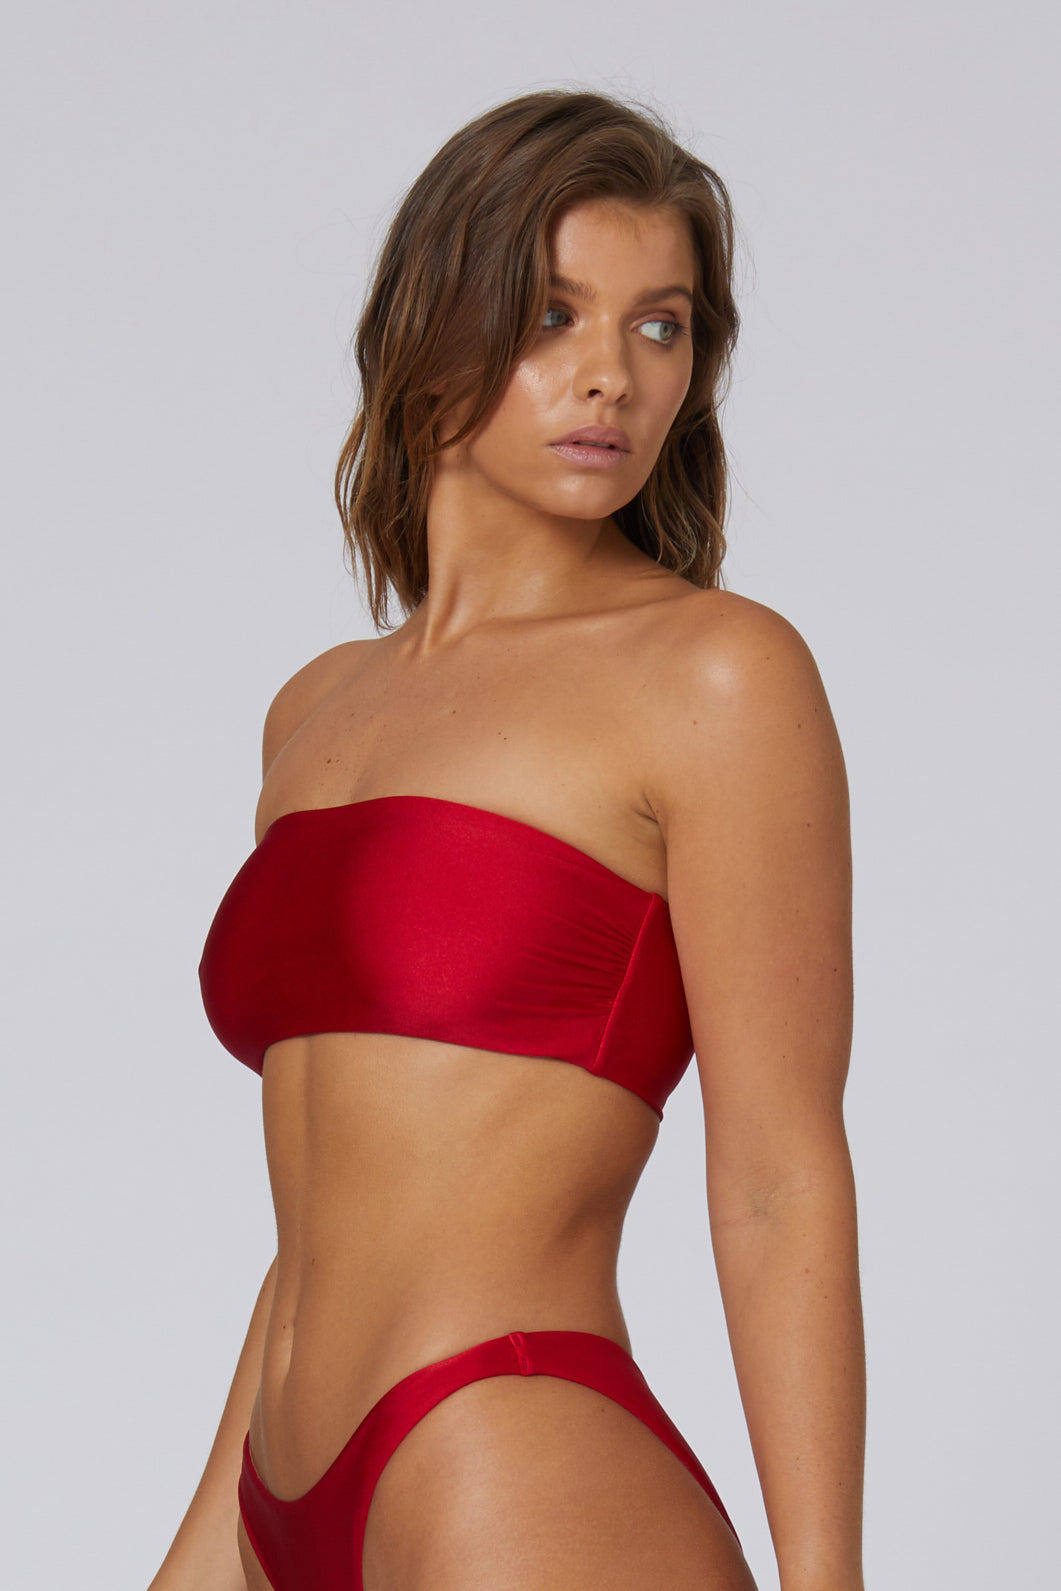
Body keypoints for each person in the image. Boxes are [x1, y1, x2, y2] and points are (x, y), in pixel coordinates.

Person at [149, 89, 865, 1591]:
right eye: (553, 314)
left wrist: (829, 1578)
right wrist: (212, 1539)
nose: (612, 374)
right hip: (277, 1496)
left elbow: (777, 1175)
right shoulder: (314, 713)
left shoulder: (715, 675)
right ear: (432, 330)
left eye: (660, 327)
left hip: (511, 1465)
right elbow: (335, 1205)